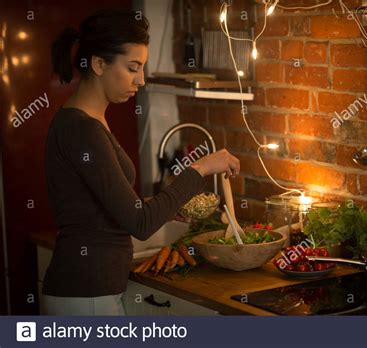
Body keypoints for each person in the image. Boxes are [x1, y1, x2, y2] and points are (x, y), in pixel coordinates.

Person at [43, 9, 239, 315]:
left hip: (90, 291)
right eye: (133, 68)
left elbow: (110, 207)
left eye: (143, 68)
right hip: (86, 296)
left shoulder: (88, 121)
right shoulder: (83, 129)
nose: (142, 79)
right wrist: (201, 168)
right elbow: (140, 223)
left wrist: (164, 206)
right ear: (98, 64)